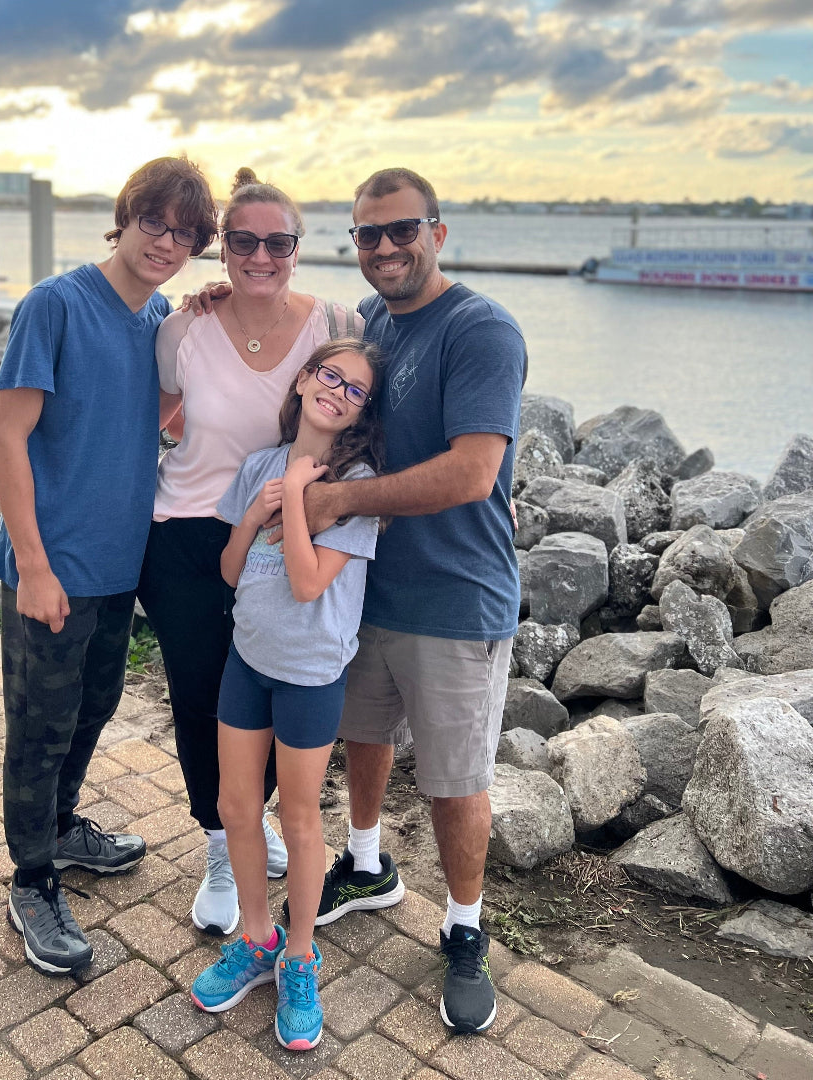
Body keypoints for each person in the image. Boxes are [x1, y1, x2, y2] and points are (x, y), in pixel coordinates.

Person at [295, 168, 527, 1035]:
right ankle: (365, 865)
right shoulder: (378, 326)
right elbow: (312, 367)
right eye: (367, 235)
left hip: (457, 597)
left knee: (456, 779)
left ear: (438, 231)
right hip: (369, 590)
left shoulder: (482, 329)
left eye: (402, 230)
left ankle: (464, 927)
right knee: (362, 735)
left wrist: (342, 503)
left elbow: (473, 472)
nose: (385, 248)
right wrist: (210, 299)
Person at [0, 157, 218, 975]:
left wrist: (202, 331)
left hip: (121, 564)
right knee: (40, 726)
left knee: (95, 705)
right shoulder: (54, 304)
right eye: (154, 223)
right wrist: (36, 566)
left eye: (187, 233)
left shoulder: (160, 316)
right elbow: (8, 436)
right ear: (124, 219)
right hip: (53, 567)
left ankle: (60, 827)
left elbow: (150, 414)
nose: (167, 242)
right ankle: (31, 876)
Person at [136, 168, 363, 936]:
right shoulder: (182, 328)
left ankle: (253, 822)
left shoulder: (335, 320)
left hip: (283, 527)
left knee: (274, 688)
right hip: (189, 535)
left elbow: (360, 399)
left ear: (297, 248)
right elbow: (164, 407)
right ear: (223, 247)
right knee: (204, 703)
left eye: (276, 242)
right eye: (243, 241)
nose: (259, 255)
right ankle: (220, 847)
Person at [189, 339, 383, 1051]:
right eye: (328, 375)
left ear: (364, 409)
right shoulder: (260, 466)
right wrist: (257, 510)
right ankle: (255, 936)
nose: (336, 390)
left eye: (355, 389)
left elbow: (307, 581)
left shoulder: (357, 483)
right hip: (249, 659)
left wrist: (299, 498)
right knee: (237, 805)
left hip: (310, 673)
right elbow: (233, 572)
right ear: (304, 380)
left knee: (299, 819)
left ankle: (298, 956)